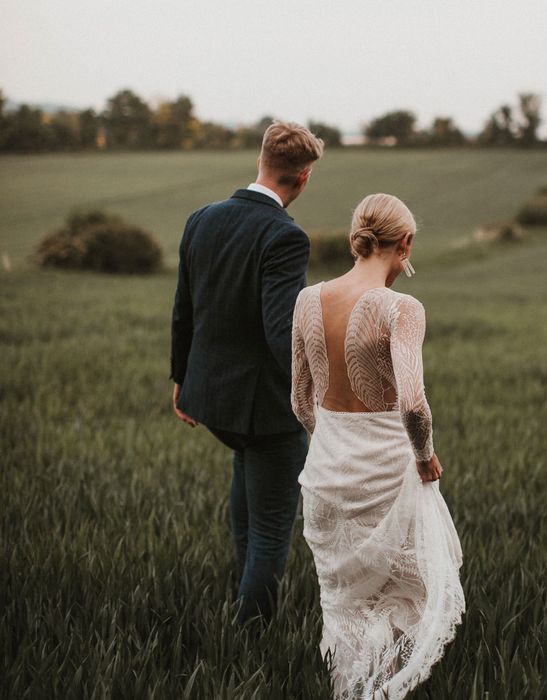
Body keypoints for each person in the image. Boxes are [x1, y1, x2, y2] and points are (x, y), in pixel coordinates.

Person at [291, 193, 464, 699]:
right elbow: (413, 403)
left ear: (356, 239)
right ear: (405, 244)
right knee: (412, 595)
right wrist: (425, 457)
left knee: (345, 608)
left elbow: (301, 401)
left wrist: (334, 450)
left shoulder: (306, 300)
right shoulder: (401, 308)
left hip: (324, 477)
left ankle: (352, 691)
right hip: (389, 477)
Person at [170, 120, 324, 623]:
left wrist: (180, 378)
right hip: (266, 410)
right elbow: (283, 333)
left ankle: (242, 603)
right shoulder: (285, 236)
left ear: (261, 162)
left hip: (214, 402)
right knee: (271, 530)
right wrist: (317, 396)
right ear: (302, 179)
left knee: (248, 497)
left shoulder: (201, 219)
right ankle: (251, 639)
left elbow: (184, 309)